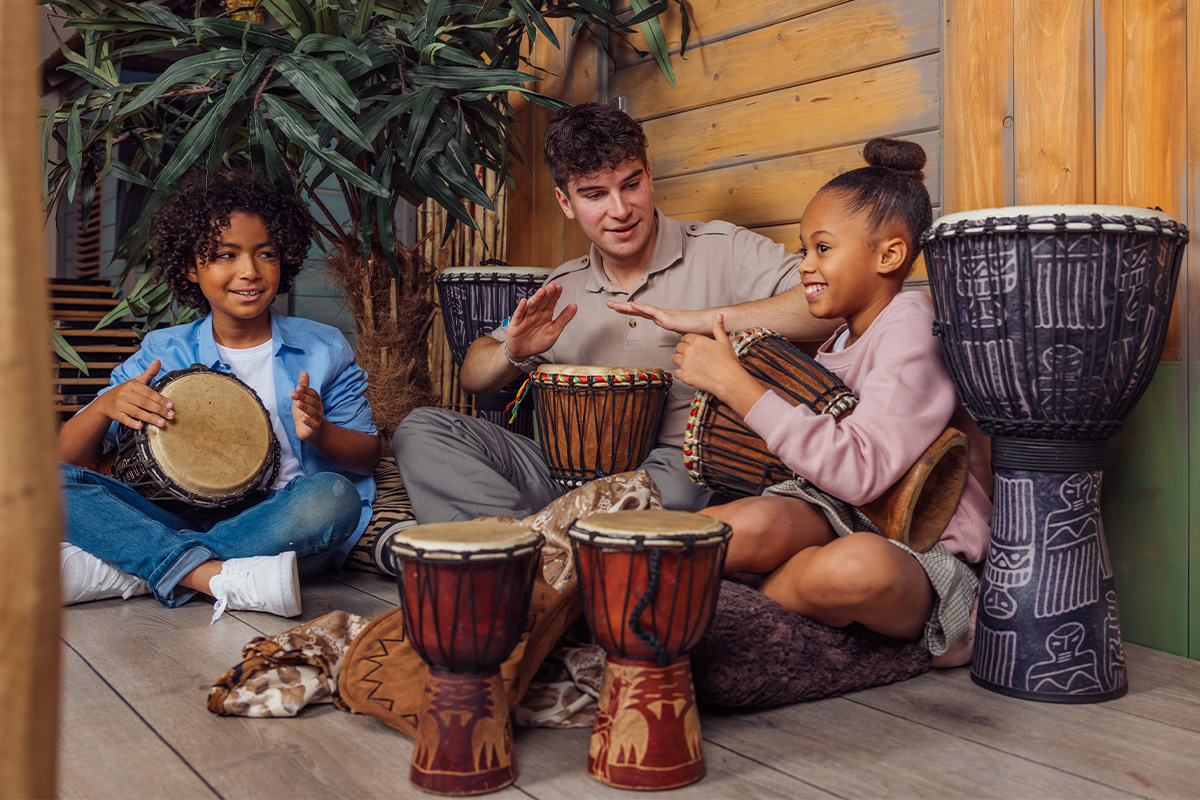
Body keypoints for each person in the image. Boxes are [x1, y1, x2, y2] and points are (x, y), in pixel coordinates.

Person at [393, 102, 835, 523]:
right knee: (420, 430)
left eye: (630, 185)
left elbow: (829, 305)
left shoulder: (724, 249)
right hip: (566, 469)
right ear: (566, 203)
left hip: (678, 471)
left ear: (650, 177)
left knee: (682, 483)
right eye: (594, 195)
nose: (620, 211)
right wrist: (513, 350)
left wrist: (708, 319)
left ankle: (535, 542)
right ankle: (535, 544)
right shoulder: (562, 286)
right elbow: (473, 377)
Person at [640, 138, 992, 664]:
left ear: (890, 255)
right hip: (843, 512)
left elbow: (861, 471)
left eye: (822, 249)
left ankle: (739, 607)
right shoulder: (840, 338)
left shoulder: (910, 322)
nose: (805, 265)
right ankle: (614, 582)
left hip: (924, 550)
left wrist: (735, 384)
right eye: (804, 249)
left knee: (853, 569)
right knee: (748, 525)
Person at [57, 173, 380, 622]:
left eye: (266, 254)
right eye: (226, 255)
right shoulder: (163, 351)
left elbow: (367, 458)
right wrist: (105, 406)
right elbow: (67, 459)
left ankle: (147, 565)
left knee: (334, 497)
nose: (250, 271)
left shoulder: (323, 347)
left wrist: (321, 432)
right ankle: (208, 574)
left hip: (278, 523)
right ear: (191, 268)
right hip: (174, 515)